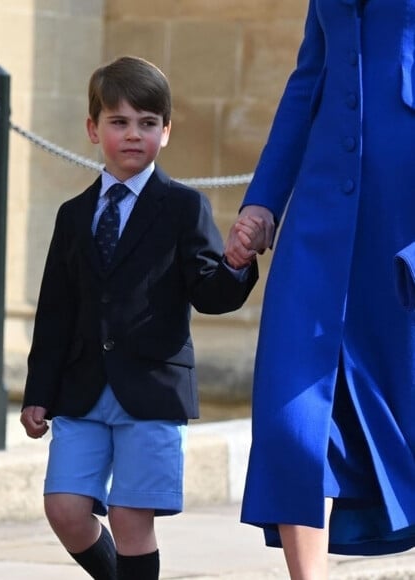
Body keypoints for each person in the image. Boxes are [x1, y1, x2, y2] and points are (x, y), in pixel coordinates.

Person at [20, 55, 261, 580]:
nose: (134, 135)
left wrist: (237, 264)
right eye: (119, 122)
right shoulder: (73, 215)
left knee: (131, 518)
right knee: (64, 508)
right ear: (92, 128)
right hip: (80, 390)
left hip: (152, 390)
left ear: (166, 132)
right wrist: (38, 390)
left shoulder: (182, 208)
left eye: (148, 123)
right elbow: (55, 312)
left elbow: (210, 294)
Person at [224, 0, 415, 578]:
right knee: (291, 410)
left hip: (401, 220)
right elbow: (309, 78)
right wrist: (262, 200)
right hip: (319, 216)